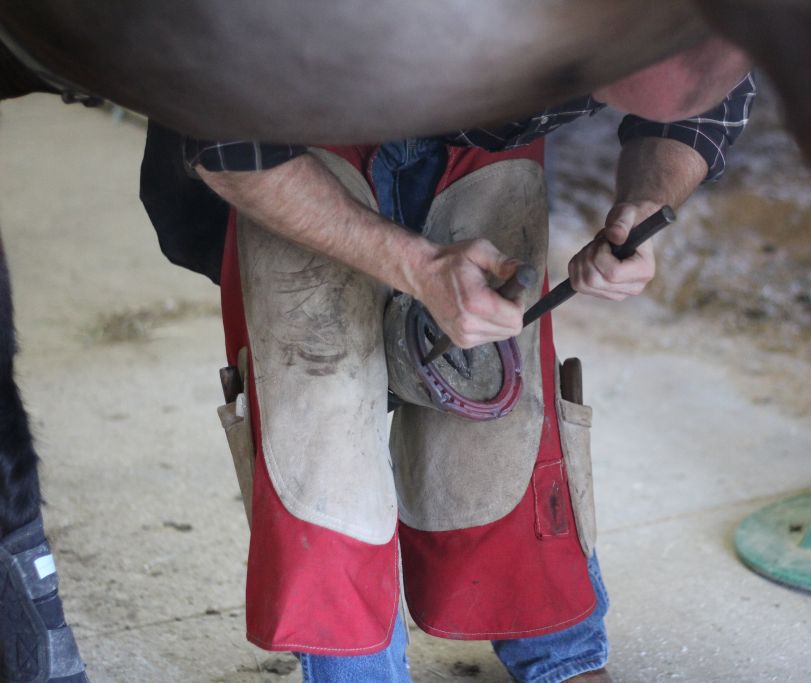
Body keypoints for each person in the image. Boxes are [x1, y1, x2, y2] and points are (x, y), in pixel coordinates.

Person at [159, 47, 755, 683]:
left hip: (484, 126)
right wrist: (417, 265)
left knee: (502, 409)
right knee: (319, 430)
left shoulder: (700, 28)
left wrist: (643, 201)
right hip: (300, 127)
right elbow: (223, 139)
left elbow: (706, 99)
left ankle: (559, 651)